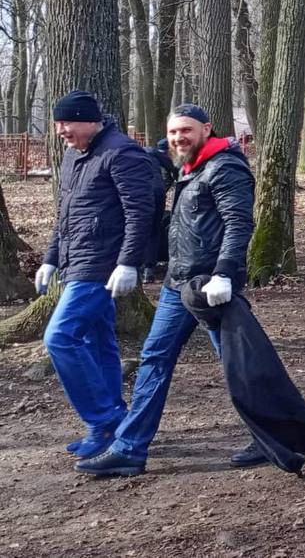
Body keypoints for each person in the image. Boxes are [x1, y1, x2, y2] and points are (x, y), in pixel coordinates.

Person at [76, 104, 259, 477]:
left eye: (186, 130)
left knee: (238, 364)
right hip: (178, 285)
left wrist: (224, 274)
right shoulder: (192, 166)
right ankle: (129, 449)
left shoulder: (225, 167)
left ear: (206, 129)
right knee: (154, 358)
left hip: (209, 287)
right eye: (173, 132)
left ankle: (273, 436)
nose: (178, 138)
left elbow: (239, 223)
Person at [36, 90, 158, 462]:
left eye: (66, 122)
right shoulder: (73, 156)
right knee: (98, 341)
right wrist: (51, 260)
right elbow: (65, 214)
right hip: (75, 263)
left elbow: (140, 212)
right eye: (58, 123)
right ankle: (114, 421)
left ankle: (102, 420)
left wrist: (128, 263)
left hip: (100, 265)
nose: (60, 130)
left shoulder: (121, 153)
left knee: (60, 337)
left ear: (90, 121)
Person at [142, 137, 178, 284]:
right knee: (154, 230)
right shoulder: (153, 152)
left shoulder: (127, 152)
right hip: (156, 192)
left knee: (135, 229)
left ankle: (135, 265)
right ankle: (148, 270)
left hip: (136, 192)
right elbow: (174, 168)